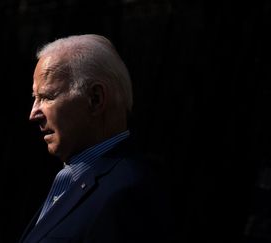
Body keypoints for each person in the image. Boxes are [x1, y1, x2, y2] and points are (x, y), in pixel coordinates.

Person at [19, 34, 175, 243]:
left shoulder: (127, 193)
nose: (33, 114)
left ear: (95, 99)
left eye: (47, 97)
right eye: (34, 98)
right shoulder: (81, 179)